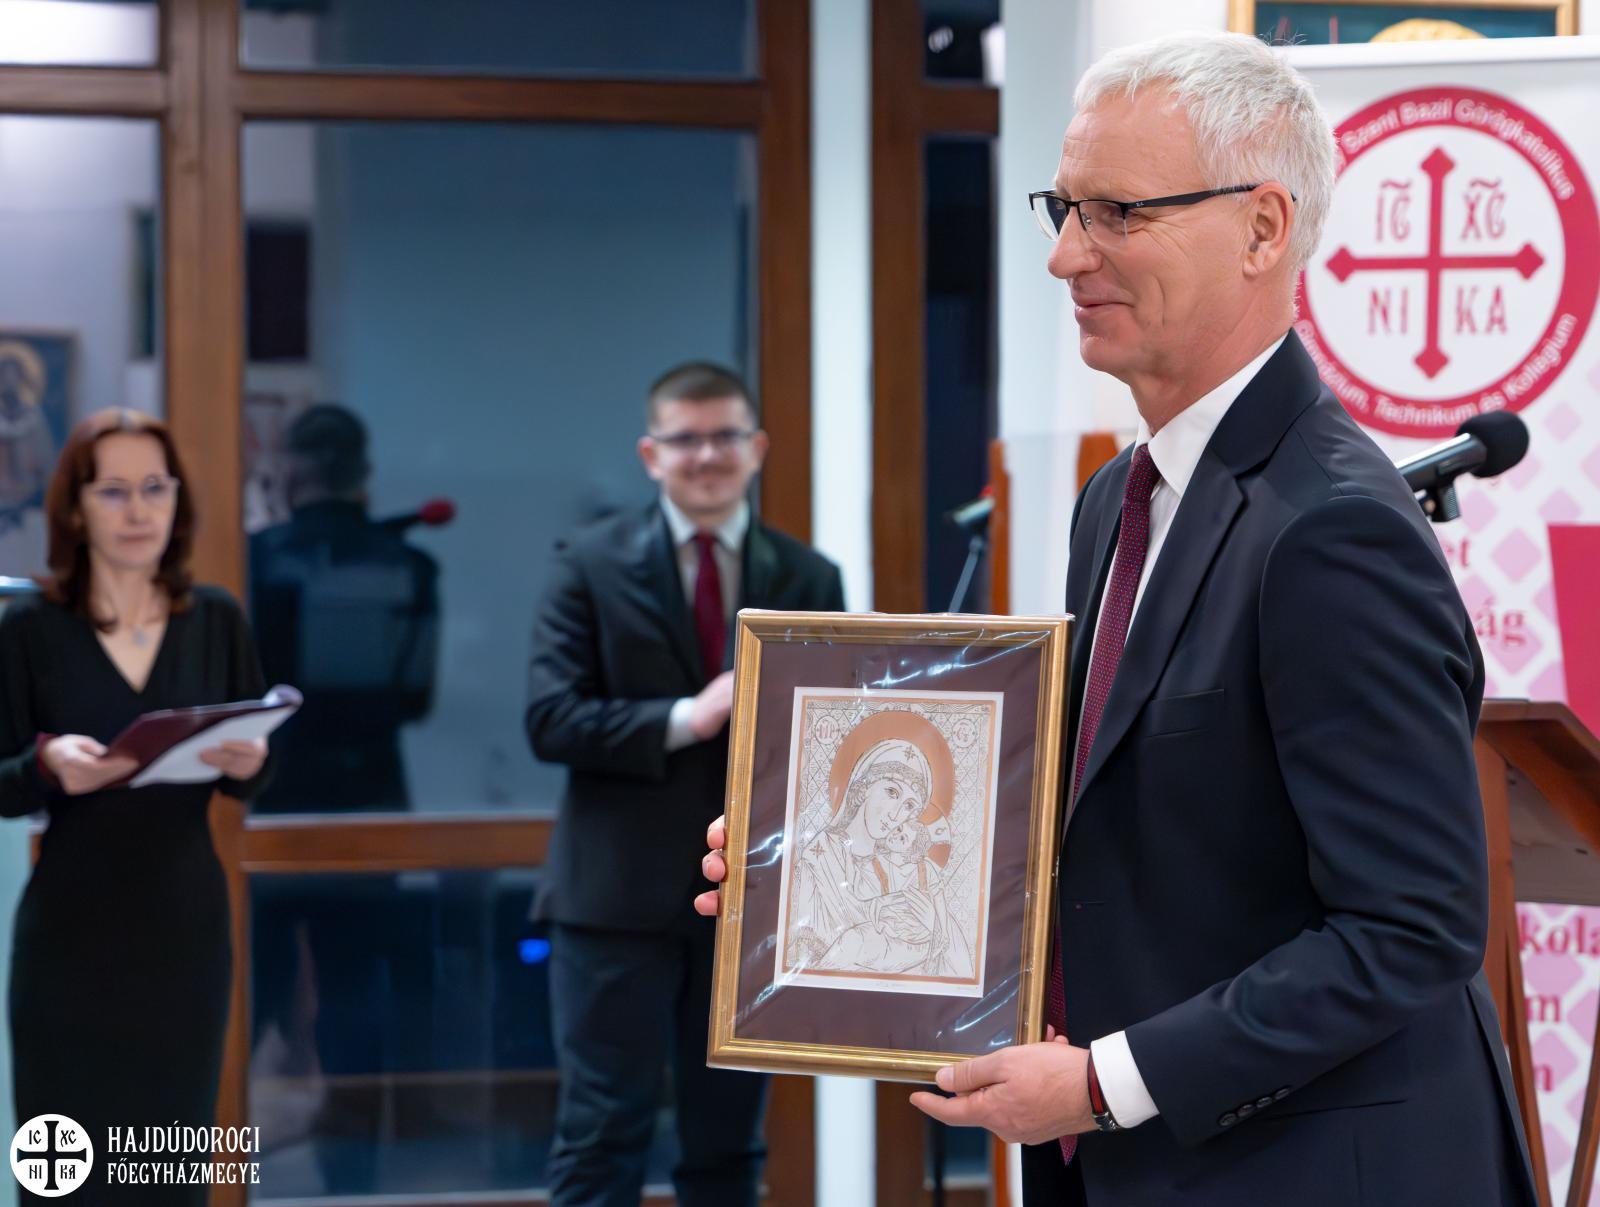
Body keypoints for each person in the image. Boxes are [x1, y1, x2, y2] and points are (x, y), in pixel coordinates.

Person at [702, 33, 1540, 1207]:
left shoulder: (1333, 525)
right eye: (1063, 209)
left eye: (1116, 213)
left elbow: (1412, 928)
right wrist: (812, 861)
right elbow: (1123, 828)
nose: (1063, 255)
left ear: (1261, 228)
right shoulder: (1119, 498)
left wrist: (1104, 1083)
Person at [526, 362, 844, 1207]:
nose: (707, 455)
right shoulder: (586, 564)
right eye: (686, 438)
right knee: (599, 1139)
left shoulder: (811, 576)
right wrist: (688, 716)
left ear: (757, 447)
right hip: (611, 904)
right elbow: (549, 719)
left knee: (728, 1150)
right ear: (651, 453)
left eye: (725, 436)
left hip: (749, 907)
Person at [0, 408, 271, 1204]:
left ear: (178, 500)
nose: (138, 510)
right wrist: (47, 764)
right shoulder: (30, 628)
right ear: (75, 508)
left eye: (155, 487)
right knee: (66, 1179)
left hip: (183, 934)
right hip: (69, 940)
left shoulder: (215, 618)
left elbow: (251, 773)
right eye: (113, 490)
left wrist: (252, 762)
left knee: (168, 1174)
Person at [249, 402, 440, 814]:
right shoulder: (412, 566)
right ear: (364, 471)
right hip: (375, 789)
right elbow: (417, 699)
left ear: (290, 471)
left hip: (280, 792)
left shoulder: (255, 559)